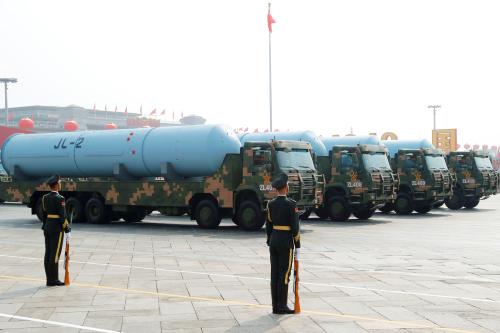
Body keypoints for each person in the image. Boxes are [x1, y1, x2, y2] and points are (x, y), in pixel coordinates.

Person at [266, 173, 301, 314]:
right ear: (286, 187)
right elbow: (295, 227)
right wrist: (297, 244)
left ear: (277, 189)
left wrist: (270, 240)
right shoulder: (291, 205)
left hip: (274, 240)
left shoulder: (271, 204)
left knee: (274, 273)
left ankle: (275, 306)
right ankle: (282, 306)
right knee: (284, 274)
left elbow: (268, 225)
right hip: (286, 242)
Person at [41, 175, 71, 286]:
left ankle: (49, 279)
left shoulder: (45, 198)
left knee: (48, 253)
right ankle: (53, 280)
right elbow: (62, 216)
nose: (60, 184)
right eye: (59, 183)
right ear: (56, 185)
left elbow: (44, 214)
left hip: (47, 227)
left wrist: (44, 226)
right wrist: (67, 228)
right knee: (55, 254)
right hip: (57, 229)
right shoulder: (60, 198)